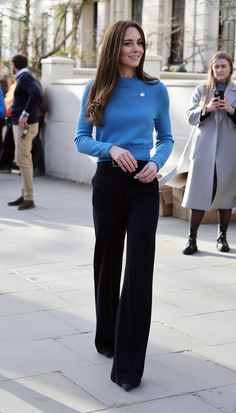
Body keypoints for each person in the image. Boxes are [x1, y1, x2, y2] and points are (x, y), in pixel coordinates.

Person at [74, 20, 174, 391]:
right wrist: (110, 149)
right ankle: (107, 338)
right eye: (128, 43)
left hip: (144, 186)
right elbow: (81, 138)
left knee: (138, 268)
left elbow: (165, 138)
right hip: (108, 182)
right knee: (108, 261)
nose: (136, 50)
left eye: (140, 43)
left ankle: (129, 367)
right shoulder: (97, 88)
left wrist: (156, 162)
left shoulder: (156, 89)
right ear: (114, 47)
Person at [182, 51, 236, 255]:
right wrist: (207, 108)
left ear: (230, 68)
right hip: (204, 151)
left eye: (224, 66)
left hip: (229, 151)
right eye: (216, 66)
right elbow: (189, 117)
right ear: (212, 69)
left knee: (226, 195)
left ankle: (222, 237)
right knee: (198, 192)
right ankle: (191, 238)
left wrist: (231, 110)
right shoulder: (202, 90)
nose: (220, 69)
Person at [7, 54, 42, 210]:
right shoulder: (25, 77)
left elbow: (36, 94)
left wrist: (25, 114)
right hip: (23, 125)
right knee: (24, 159)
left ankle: (29, 198)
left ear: (14, 65)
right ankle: (25, 194)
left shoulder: (25, 77)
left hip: (24, 125)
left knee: (23, 159)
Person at [0, 80, 16, 172]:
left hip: (6, 116)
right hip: (6, 116)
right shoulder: (14, 86)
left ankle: (5, 164)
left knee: (7, 142)